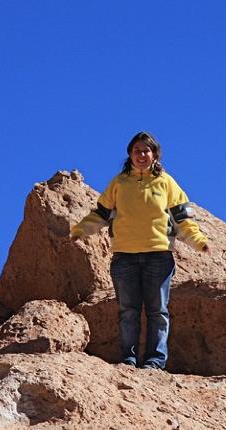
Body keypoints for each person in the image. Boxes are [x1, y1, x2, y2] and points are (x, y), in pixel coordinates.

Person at [70, 131, 210, 370]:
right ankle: (129, 359)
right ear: (130, 154)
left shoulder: (166, 183)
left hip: (158, 255)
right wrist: (80, 231)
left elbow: (182, 218)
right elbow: (101, 214)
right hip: (124, 256)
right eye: (137, 151)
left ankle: (155, 361)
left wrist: (197, 240)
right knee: (128, 311)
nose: (141, 155)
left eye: (146, 150)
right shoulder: (119, 183)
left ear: (155, 155)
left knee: (158, 311)